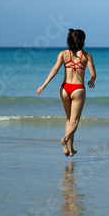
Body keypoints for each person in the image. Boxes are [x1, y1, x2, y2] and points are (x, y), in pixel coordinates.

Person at [36, 28, 96, 157]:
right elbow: (93, 74)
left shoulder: (63, 54)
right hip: (78, 89)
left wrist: (43, 85)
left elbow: (55, 70)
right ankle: (65, 139)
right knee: (75, 121)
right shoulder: (86, 56)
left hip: (64, 89)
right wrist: (92, 81)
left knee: (69, 120)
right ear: (83, 40)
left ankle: (70, 149)